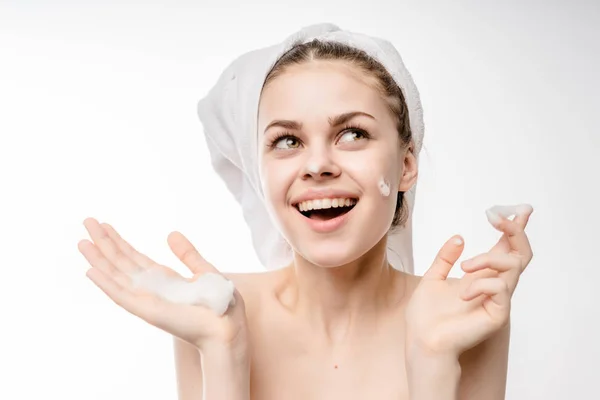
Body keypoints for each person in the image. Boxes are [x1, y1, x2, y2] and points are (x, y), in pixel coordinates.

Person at [78, 24, 534, 400]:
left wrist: (432, 360)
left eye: (352, 134)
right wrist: (225, 353)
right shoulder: (213, 310)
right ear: (260, 175)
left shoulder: (461, 313)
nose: (317, 165)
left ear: (406, 166)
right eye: (288, 141)